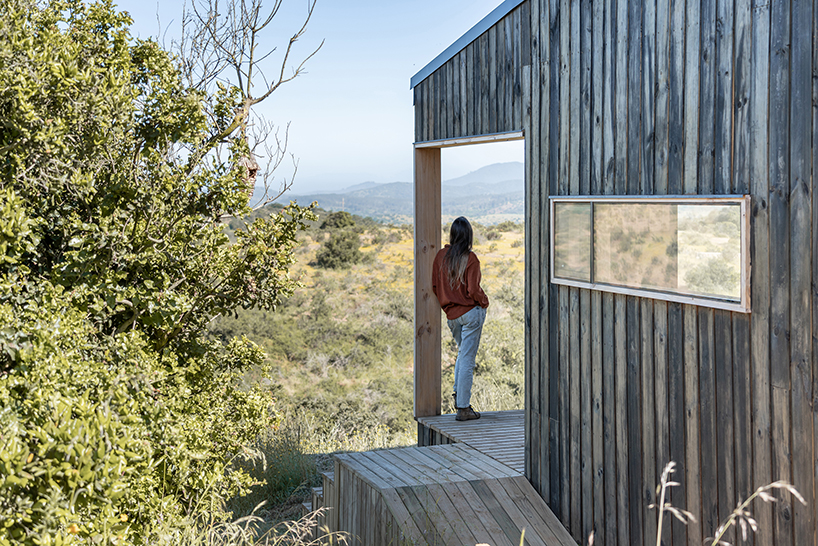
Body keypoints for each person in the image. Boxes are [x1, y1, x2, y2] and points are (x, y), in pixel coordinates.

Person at [431, 216, 489, 421]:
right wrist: (484, 301)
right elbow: (473, 289)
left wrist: (448, 304)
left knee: (462, 355)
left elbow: (435, 287)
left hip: (452, 316)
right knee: (467, 359)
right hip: (470, 314)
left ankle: (458, 395)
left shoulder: (440, 256)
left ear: (453, 235)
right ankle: (463, 408)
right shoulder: (470, 258)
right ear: (469, 236)